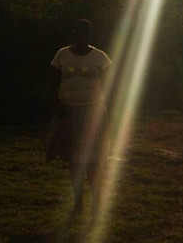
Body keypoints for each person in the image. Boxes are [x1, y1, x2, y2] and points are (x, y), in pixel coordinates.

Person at [46, 19, 112, 219]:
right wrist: (56, 104)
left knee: (93, 161)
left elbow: (111, 85)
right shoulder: (62, 55)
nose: (82, 36)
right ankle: (78, 202)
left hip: (93, 113)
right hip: (69, 112)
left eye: (85, 32)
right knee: (74, 161)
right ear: (74, 33)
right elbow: (52, 83)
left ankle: (96, 205)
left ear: (89, 35)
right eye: (79, 32)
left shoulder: (100, 57)